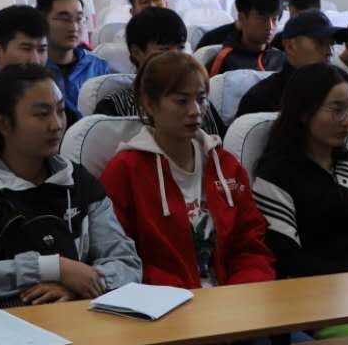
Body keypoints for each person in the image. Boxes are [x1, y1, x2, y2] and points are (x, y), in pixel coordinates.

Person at [0, 64, 141, 309]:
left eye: (60, 111)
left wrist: (77, 286)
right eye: (41, 114)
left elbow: (126, 262)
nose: (56, 124)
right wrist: (54, 268)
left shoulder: (79, 181)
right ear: (2, 123)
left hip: (65, 315)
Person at [101, 51, 275, 288]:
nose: (195, 111)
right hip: (165, 301)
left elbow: (250, 245)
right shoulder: (124, 171)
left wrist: (241, 291)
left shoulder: (225, 165)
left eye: (201, 99)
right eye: (182, 101)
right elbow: (122, 257)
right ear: (149, 104)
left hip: (233, 297)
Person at [252, 64, 348, 279]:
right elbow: (287, 258)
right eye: (337, 110)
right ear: (304, 112)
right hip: (312, 289)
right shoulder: (276, 175)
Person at [94, 7, 227, 135]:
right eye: (165, 50)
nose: (176, 58)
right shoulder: (115, 107)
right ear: (137, 53)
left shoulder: (199, 102)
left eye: (180, 48)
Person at [238, 11, 342, 117]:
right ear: (290, 46)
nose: (330, 52)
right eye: (320, 42)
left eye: (331, 44)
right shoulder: (260, 100)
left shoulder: (340, 90)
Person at [37, 0, 107, 117]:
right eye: (64, 19)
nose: (74, 27)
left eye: (79, 19)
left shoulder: (97, 66)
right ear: (42, 21)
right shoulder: (33, 66)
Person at [205, 0, 285, 76]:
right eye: (262, 19)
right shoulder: (224, 60)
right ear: (242, 18)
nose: (270, 27)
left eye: (274, 19)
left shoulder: (281, 58)